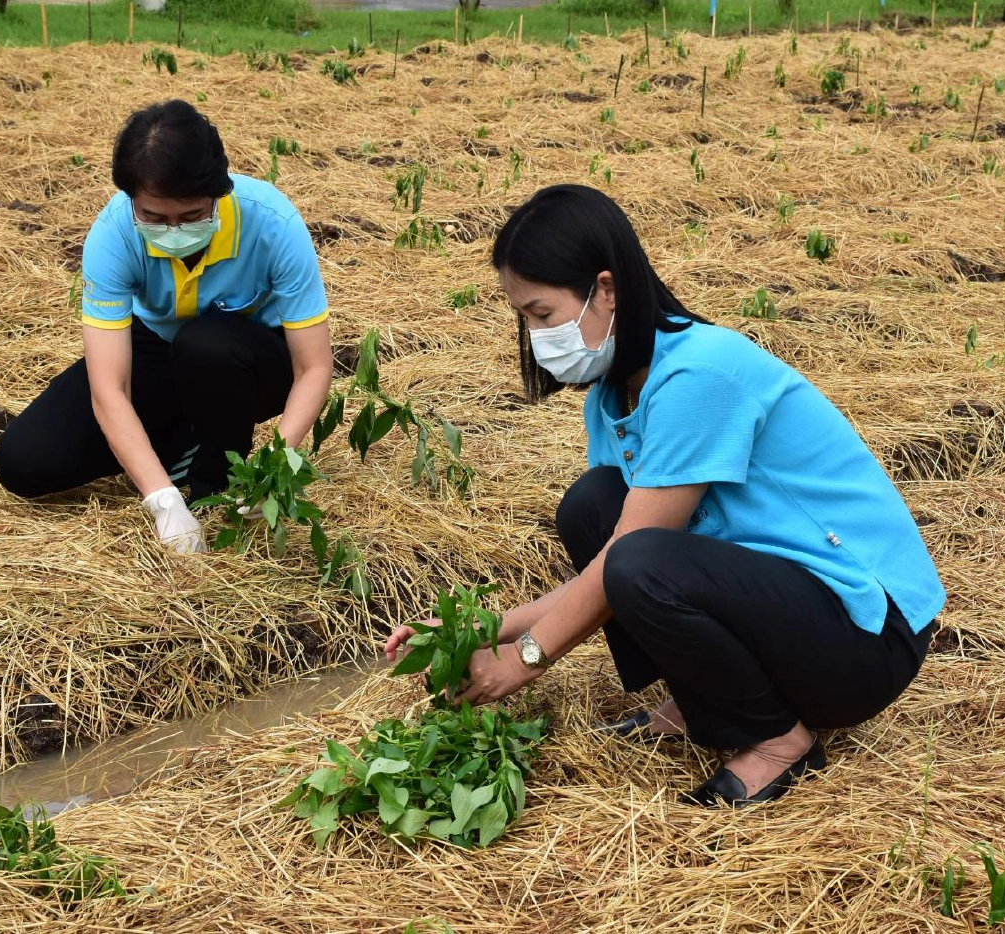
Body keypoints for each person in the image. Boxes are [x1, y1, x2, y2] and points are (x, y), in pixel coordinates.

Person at [385, 185, 946, 808]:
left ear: (605, 289)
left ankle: (778, 741)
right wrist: (477, 628)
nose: (535, 334)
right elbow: (615, 552)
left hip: (866, 635)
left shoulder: (699, 373)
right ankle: (702, 702)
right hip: (793, 606)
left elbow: (632, 558)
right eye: (525, 318)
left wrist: (524, 657)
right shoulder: (615, 392)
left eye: (542, 314)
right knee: (594, 504)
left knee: (638, 558)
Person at [0, 100, 334, 553]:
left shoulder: (272, 223)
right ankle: (179, 444)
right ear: (132, 200)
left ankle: (216, 471)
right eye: (154, 218)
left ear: (220, 191)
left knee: (206, 345)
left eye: (191, 216)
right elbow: (109, 386)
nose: (173, 232)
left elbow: (313, 367)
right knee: (24, 461)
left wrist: (276, 463)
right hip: (160, 346)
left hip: (251, 363)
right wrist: (161, 499)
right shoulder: (114, 233)